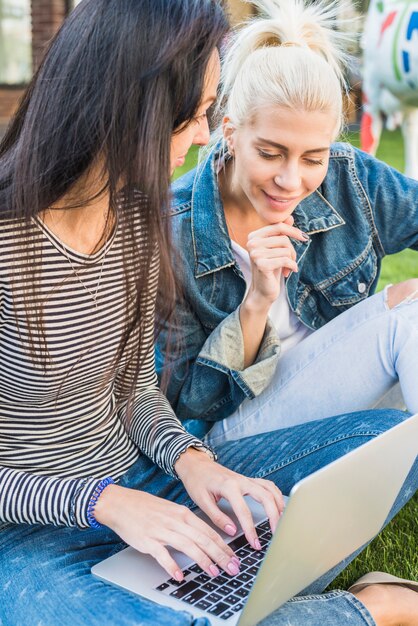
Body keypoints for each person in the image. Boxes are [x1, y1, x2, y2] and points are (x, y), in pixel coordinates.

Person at [0, 1, 416, 625]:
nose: (203, 137)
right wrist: (103, 502)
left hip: (159, 482)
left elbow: (135, 390)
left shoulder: (134, 222)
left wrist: (193, 465)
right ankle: (372, 609)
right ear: (137, 110)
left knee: (387, 446)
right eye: (195, 117)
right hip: (37, 540)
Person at [157, 0, 418, 446]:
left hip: (347, 395)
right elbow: (183, 403)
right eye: (270, 153)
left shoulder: (349, 177)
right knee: (407, 314)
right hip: (237, 433)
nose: (290, 180)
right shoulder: (173, 228)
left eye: (313, 158)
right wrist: (256, 302)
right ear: (232, 134)